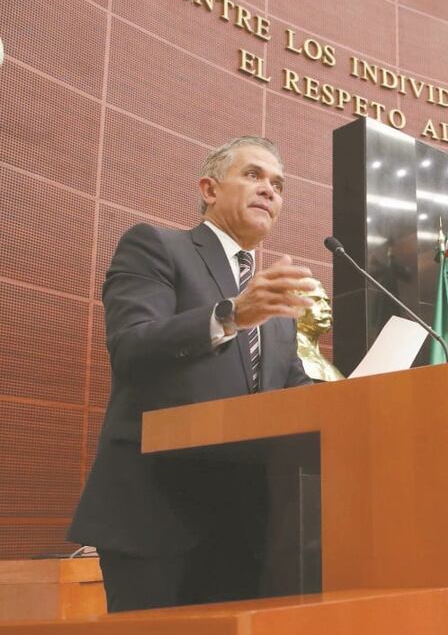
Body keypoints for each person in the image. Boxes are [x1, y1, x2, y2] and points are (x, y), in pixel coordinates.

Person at [68, 136, 316, 612]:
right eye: (253, 175)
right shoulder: (157, 247)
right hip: (156, 513)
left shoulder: (276, 307)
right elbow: (132, 347)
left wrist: (363, 395)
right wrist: (232, 315)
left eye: (278, 185)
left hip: (246, 522)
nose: (269, 190)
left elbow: (292, 393)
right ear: (208, 188)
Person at [297, 280, 344, 382]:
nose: (327, 308)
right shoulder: (286, 361)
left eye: (326, 302)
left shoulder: (328, 368)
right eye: (316, 301)